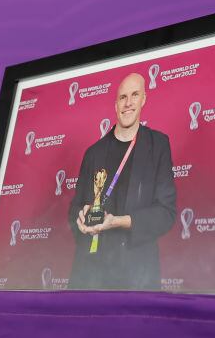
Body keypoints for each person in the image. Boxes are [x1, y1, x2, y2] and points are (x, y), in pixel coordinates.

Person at [68, 72, 176, 290]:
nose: (128, 103)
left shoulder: (158, 145)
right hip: (91, 274)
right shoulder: (93, 153)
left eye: (134, 95)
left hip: (137, 275)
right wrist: (79, 217)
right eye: (122, 97)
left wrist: (119, 221)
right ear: (115, 104)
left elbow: (166, 213)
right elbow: (75, 207)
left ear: (144, 99)